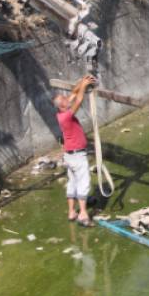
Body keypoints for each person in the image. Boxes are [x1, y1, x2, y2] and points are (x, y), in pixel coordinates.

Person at [53, 74, 97, 227]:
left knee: (72, 182)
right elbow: (78, 99)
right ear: (63, 106)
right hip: (77, 155)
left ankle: (72, 211)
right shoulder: (66, 116)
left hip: (69, 155)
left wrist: (81, 82)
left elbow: (73, 94)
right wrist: (84, 87)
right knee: (83, 182)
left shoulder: (60, 113)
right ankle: (83, 214)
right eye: (65, 100)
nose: (68, 99)